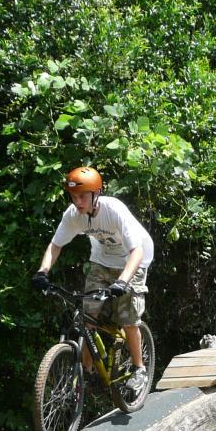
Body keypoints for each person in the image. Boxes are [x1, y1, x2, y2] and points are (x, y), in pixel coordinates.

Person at [31, 166, 153, 398]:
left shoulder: (114, 210)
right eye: (74, 196)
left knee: (128, 319)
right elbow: (56, 245)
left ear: (96, 193)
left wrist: (123, 281)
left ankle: (139, 369)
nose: (78, 201)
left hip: (134, 260)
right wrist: (42, 271)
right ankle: (84, 372)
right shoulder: (73, 216)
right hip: (101, 261)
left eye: (83, 196)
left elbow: (136, 252)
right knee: (88, 317)